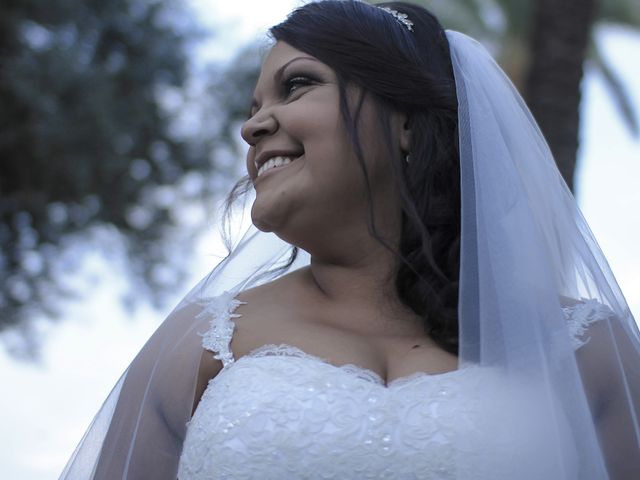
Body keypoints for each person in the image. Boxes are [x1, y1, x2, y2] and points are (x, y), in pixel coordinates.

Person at [59, 1, 640, 479]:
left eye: (298, 85)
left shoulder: (585, 350)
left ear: (408, 121)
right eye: (253, 107)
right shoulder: (201, 343)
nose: (251, 127)